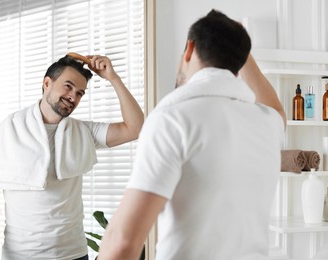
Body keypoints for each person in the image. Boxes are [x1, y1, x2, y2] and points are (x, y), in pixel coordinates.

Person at [97, 9, 286, 260]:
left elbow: (121, 243)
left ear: (189, 49)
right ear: (239, 64)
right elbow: (276, 109)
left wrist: (233, 45)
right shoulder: (267, 123)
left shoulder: (172, 120)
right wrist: (237, 48)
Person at [0, 54, 144, 260]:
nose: (73, 97)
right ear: (46, 83)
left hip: (73, 254)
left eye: (80, 93)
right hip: (20, 255)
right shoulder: (5, 132)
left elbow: (136, 128)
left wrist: (113, 78)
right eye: (68, 86)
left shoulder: (83, 131)